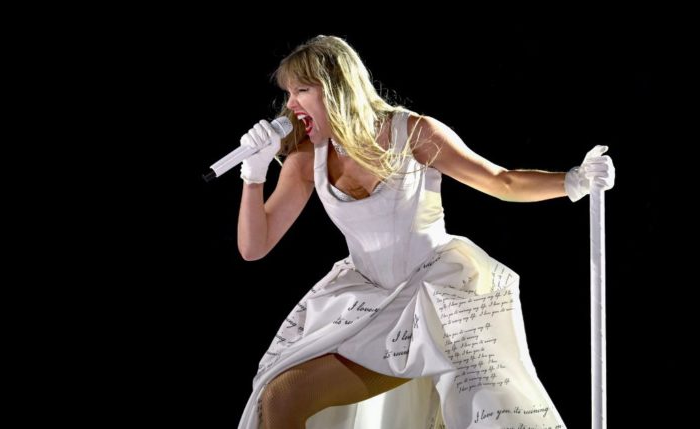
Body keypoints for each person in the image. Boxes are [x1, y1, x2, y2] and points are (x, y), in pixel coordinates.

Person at [234, 35, 614, 429]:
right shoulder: (306, 158)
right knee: (281, 397)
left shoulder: (413, 133)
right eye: (289, 93)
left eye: (302, 91)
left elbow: (502, 182)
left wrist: (574, 181)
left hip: (437, 296)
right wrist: (254, 174)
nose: (291, 105)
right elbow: (253, 246)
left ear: (336, 90)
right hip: (367, 303)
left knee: (474, 416)